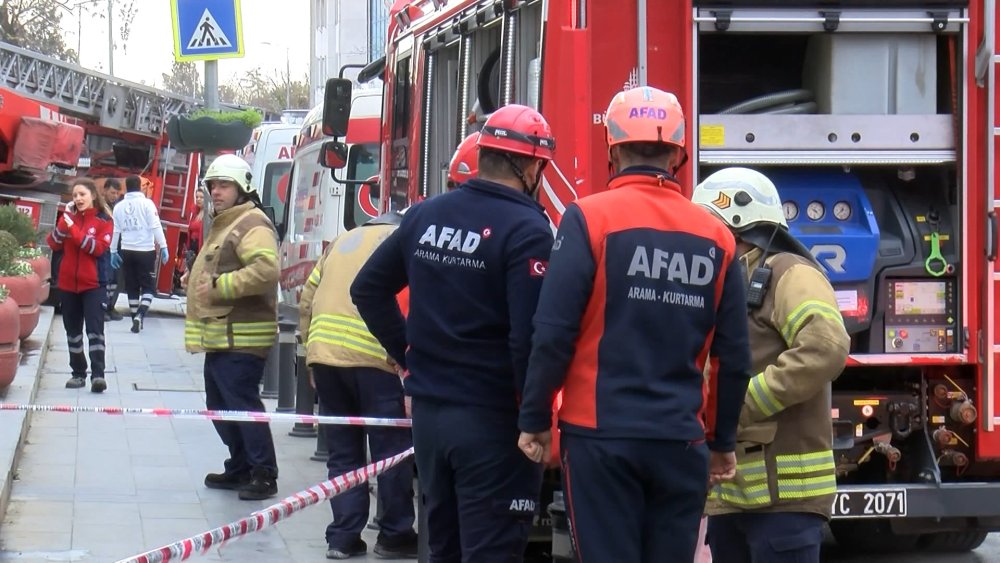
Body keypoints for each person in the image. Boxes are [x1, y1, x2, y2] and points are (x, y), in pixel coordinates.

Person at [515, 87, 752, 563]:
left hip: (600, 439)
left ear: (615, 149)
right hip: (680, 441)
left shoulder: (589, 219)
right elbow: (735, 359)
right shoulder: (719, 238)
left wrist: (536, 418)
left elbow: (554, 331)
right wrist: (722, 442)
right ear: (679, 153)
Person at [351, 104, 556, 562]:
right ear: (530, 165)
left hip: (430, 418)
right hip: (492, 420)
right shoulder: (528, 229)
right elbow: (528, 337)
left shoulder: (427, 214)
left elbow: (367, 289)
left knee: (441, 545)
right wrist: (536, 417)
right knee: (492, 549)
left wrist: (407, 357)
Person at [691, 167, 850, 563]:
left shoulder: (788, 272)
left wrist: (740, 404)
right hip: (730, 501)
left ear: (736, 224)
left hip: (784, 507)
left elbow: (825, 346)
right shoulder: (724, 280)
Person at [299, 208, 417, 560]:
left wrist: (310, 351)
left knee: (343, 453)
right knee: (390, 452)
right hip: (376, 358)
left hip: (325, 357)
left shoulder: (341, 240)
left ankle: (343, 537)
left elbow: (307, 297)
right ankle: (395, 534)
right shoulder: (404, 240)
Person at [181, 154, 281, 501]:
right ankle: (240, 465)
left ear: (243, 188)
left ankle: (263, 472)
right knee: (220, 403)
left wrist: (220, 286)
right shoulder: (226, 221)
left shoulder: (251, 223)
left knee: (241, 403)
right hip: (223, 336)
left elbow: (266, 269)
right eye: (212, 185)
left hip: (242, 337)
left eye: (224, 185)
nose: (216, 191)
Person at [47, 179, 114, 393]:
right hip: (68, 285)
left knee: (95, 332)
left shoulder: (104, 221)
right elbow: (53, 243)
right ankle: (77, 373)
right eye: (75, 195)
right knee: (72, 332)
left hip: (94, 285)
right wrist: (63, 223)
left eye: (82, 194)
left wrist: (73, 229)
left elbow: (95, 248)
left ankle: (98, 376)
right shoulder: (69, 220)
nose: (78, 199)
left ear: (93, 195)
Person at [110, 175, 169, 333]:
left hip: (126, 251)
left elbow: (116, 231)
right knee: (148, 287)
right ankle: (140, 315)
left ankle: (134, 316)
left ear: (126, 187)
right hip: (145, 251)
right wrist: (163, 246)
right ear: (140, 187)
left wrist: (113, 250)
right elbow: (156, 226)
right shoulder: (147, 204)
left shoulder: (119, 207)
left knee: (132, 286)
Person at [101, 178, 124, 321]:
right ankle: (102, 308)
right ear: (104, 191)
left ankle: (110, 306)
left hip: (115, 247)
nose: (115, 196)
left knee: (114, 279)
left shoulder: (116, 207)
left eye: (117, 193)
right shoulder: (100, 207)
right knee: (106, 279)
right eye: (112, 192)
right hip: (105, 248)